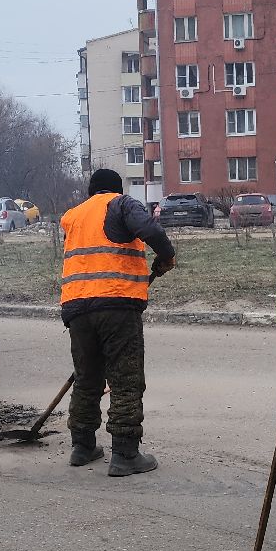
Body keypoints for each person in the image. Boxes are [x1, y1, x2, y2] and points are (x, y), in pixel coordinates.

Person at [59, 169, 176, 476]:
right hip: (116, 305)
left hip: (76, 307)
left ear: (90, 191)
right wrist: (167, 255)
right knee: (125, 379)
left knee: (87, 378)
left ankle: (82, 447)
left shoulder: (73, 216)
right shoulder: (121, 204)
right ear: (115, 188)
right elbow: (149, 229)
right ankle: (125, 453)